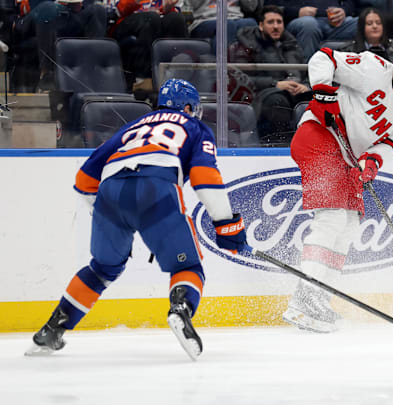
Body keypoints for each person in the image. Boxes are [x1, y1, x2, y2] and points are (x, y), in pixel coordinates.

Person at [25, 79, 248, 360]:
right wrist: (226, 225)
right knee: (188, 266)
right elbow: (205, 179)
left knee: (102, 269)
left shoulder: (132, 127)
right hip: (156, 187)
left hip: (109, 192)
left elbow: (83, 180)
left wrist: (112, 212)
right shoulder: (195, 127)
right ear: (189, 107)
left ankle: (51, 331)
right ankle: (180, 310)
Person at [284, 38, 393, 332]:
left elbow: (392, 143)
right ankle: (302, 297)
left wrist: (373, 161)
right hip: (319, 135)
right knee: (331, 219)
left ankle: (320, 297)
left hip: (348, 156)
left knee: (349, 224)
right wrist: (322, 91)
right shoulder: (371, 67)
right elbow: (323, 57)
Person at [229, 5, 312, 145]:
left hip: (294, 92)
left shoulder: (291, 45)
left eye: (279, 22)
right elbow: (241, 79)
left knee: (314, 98)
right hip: (262, 95)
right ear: (261, 25)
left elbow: (306, 72)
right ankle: (281, 145)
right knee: (277, 101)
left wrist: (305, 86)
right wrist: (275, 84)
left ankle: (312, 145)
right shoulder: (246, 46)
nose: (276, 26)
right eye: (270, 22)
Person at [12, 0, 107, 92]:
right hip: (40, 18)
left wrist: (79, 4)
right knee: (48, 8)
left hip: (72, 17)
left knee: (98, 9)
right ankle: (46, 73)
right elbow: (34, 10)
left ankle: (93, 73)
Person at [108, 0, 189, 92]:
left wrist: (168, 7)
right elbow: (117, 11)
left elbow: (170, 10)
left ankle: (177, 77)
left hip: (156, 19)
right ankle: (142, 79)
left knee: (176, 19)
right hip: (126, 21)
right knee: (151, 18)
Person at [266, 0, 358, 61]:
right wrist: (297, 12)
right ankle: (307, 79)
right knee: (308, 24)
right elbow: (269, 7)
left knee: (363, 22)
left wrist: (343, 11)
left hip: (335, 22)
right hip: (298, 20)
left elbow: (350, 2)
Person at [187, 0, 260, 50]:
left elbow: (251, 7)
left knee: (251, 23)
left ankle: (256, 70)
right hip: (205, 19)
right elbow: (191, 5)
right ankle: (219, 68)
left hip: (235, 17)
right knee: (227, 25)